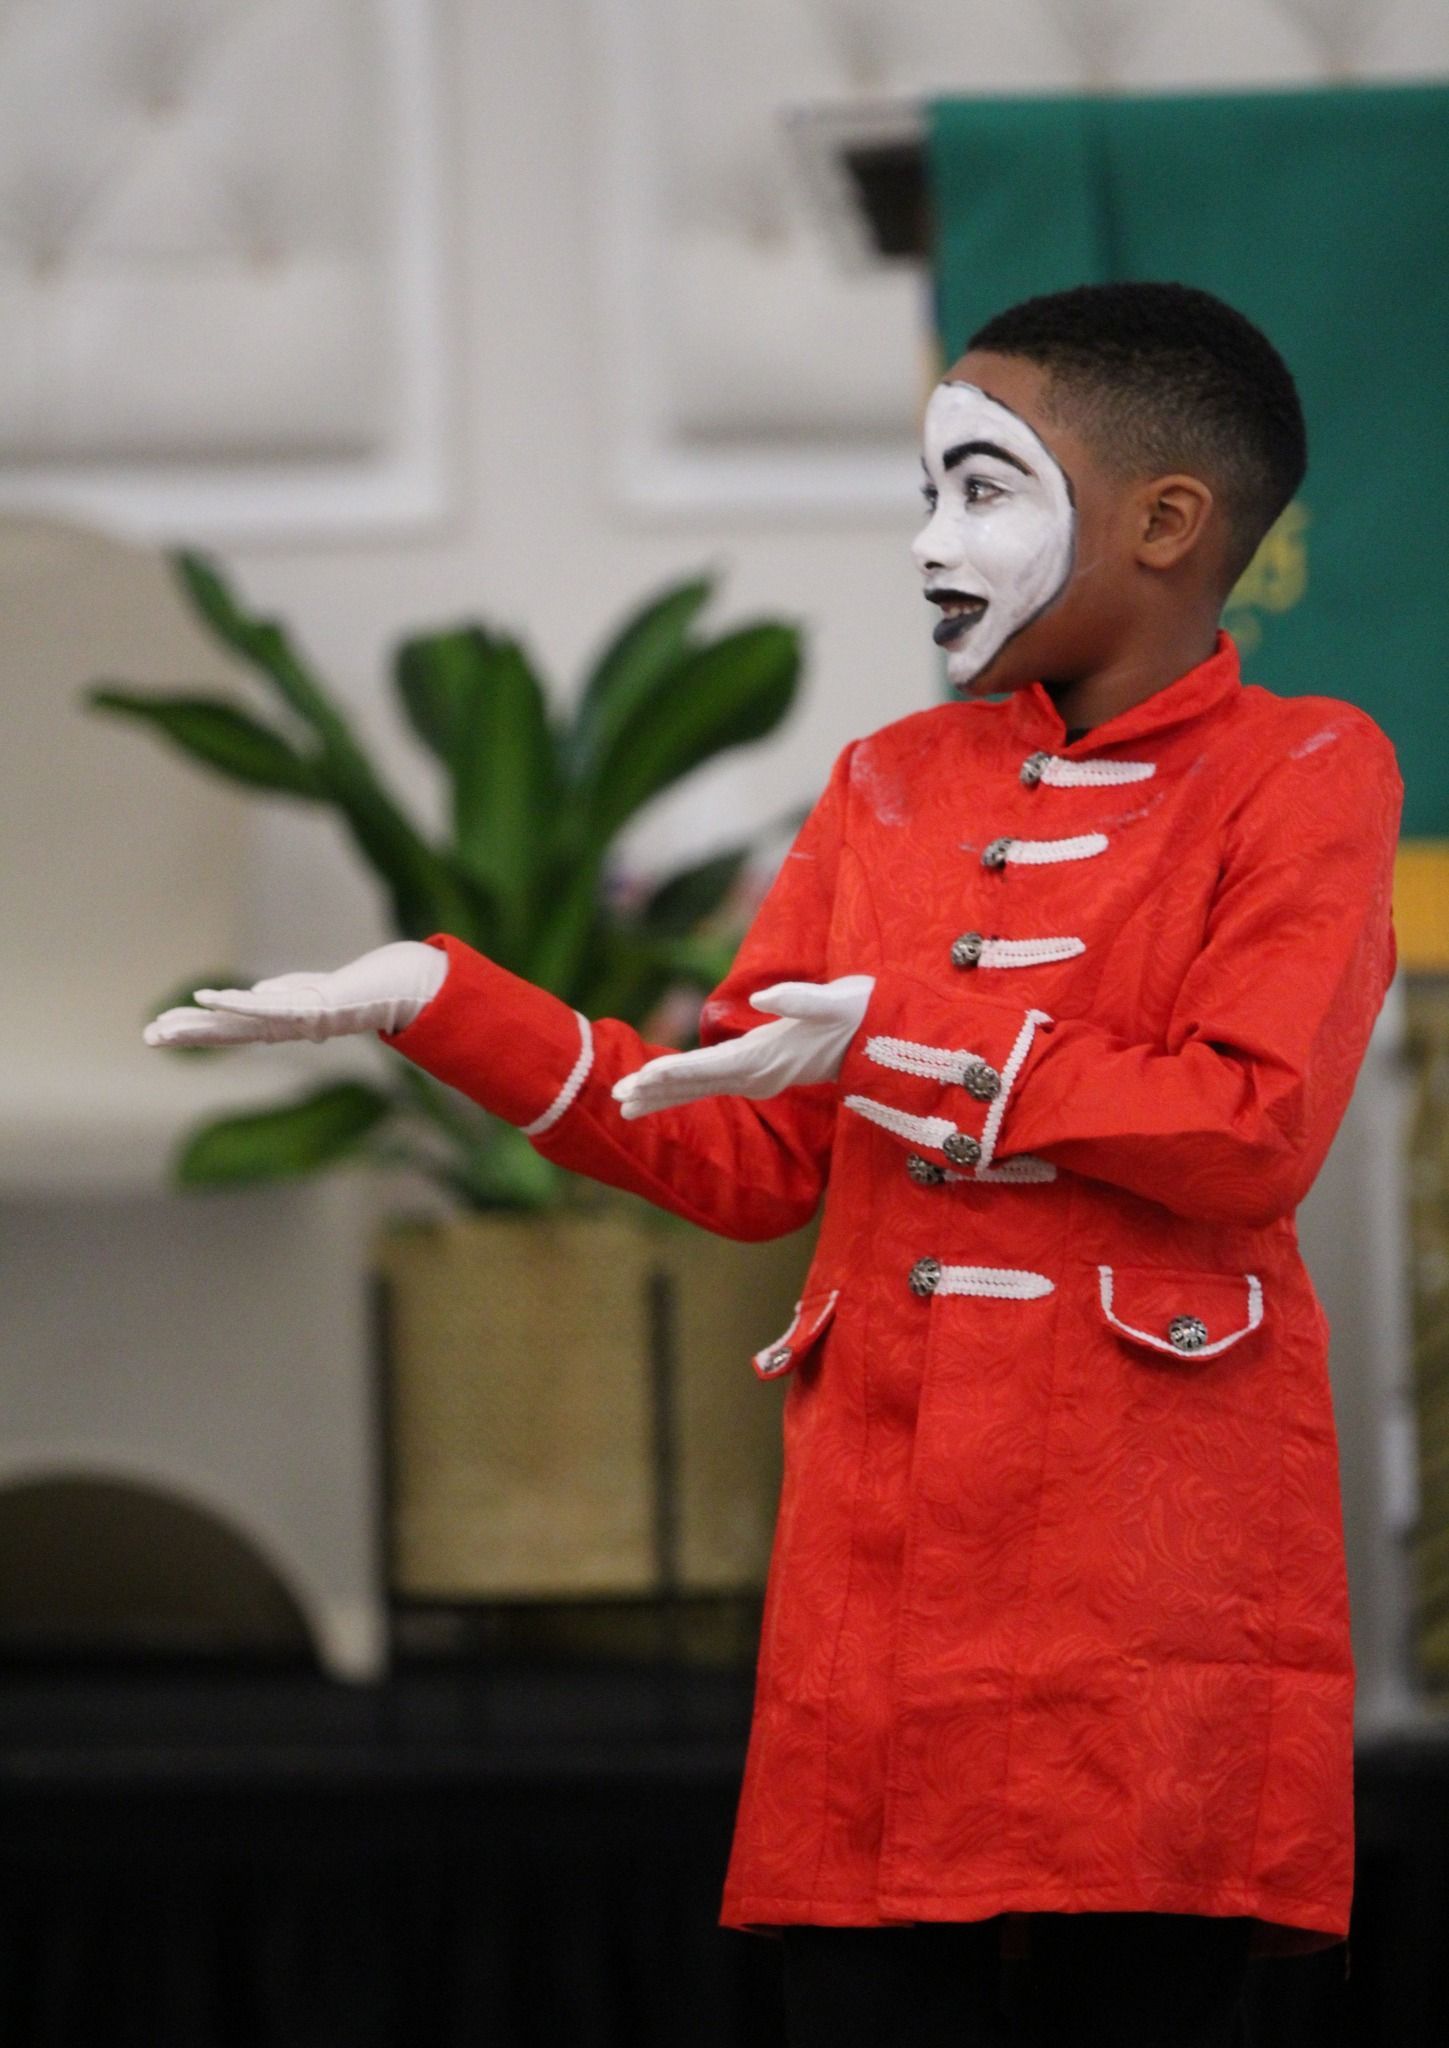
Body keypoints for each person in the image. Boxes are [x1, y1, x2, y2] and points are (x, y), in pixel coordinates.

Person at [146, 281, 1403, 2046]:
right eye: (923, 494)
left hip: (1146, 1553)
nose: (929, 542)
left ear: (1165, 521)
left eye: (979, 490)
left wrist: (903, 1034)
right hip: (885, 1552)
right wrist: (444, 1001)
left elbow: (1246, 1126)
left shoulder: (1307, 767)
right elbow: (743, 1155)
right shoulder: (885, 783)